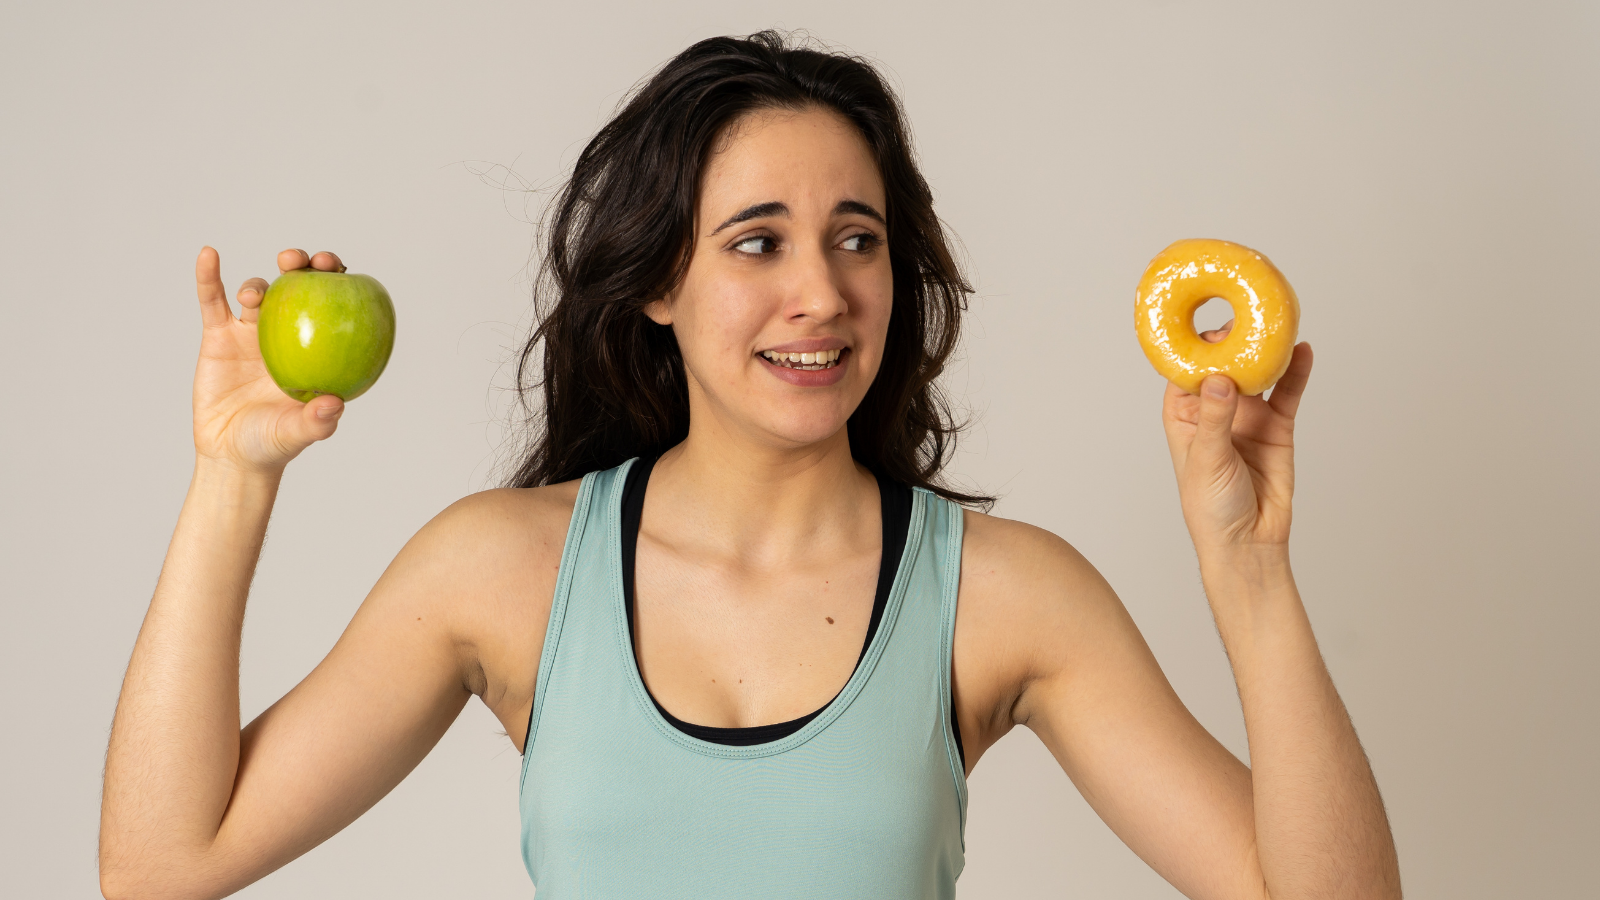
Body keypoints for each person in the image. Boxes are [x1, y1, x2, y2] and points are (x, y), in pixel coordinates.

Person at [98, 31, 1400, 900]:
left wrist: (1249, 566)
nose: (822, 294)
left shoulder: (1004, 596)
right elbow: (160, 864)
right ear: (660, 278)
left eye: (856, 238)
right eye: (757, 243)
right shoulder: (499, 572)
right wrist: (235, 476)